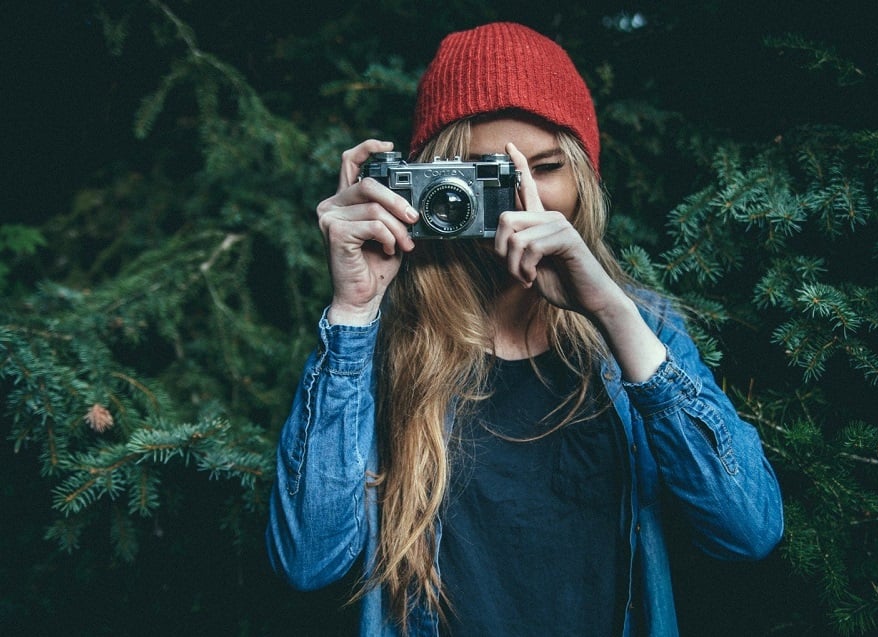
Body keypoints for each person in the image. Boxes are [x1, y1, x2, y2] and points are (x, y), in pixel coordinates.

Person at [267, 21, 784, 637]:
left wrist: (613, 312)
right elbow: (308, 562)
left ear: (585, 181)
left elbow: (748, 530)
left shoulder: (641, 332)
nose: (521, 202)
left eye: (545, 168)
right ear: (431, 188)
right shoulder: (379, 341)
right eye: (488, 176)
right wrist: (352, 312)